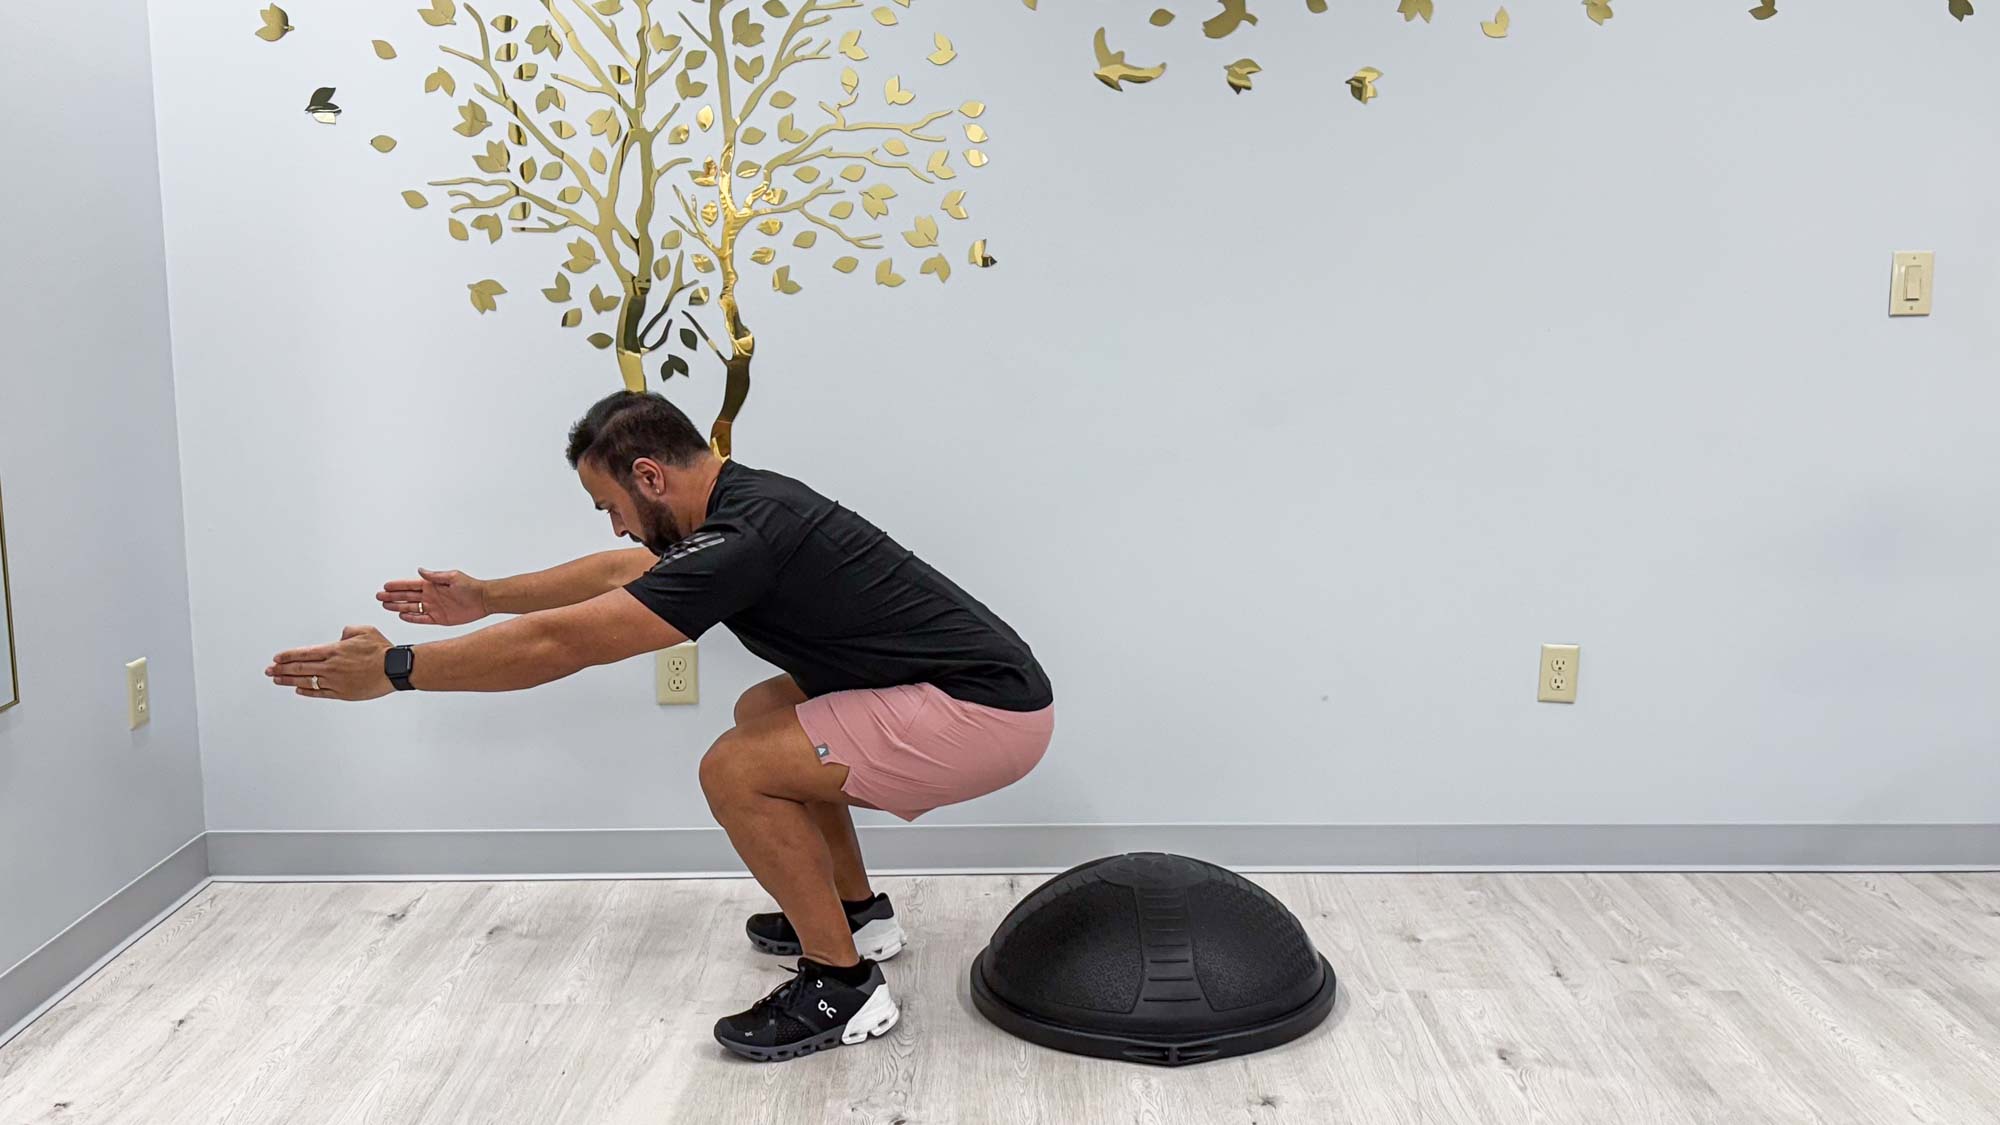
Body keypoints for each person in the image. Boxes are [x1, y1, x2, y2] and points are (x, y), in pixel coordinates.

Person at [264, 391, 1055, 1063]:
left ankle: (842, 987)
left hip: (985, 713)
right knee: (765, 714)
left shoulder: (739, 540)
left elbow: (563, 642)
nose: (614, 527)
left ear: (650, 476)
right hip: (981, 693)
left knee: (736, 768)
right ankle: (855, 916)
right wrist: (486, 596)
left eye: (612, 506)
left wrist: (399, 669)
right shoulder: (740, 505)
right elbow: (618, 573)